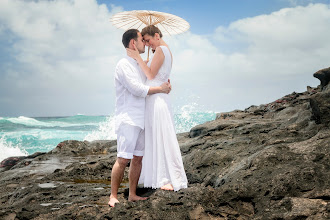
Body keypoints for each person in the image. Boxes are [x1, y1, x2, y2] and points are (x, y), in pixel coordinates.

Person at [108, 29, 172, 207]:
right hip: (128, 118)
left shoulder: (137, 63)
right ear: (133, 43)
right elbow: (137, 89)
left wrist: (164, 82)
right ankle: (113, 196)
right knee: (123, 159)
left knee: (138, 158)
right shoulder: (123, 64)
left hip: (141, 118)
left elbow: (150, 78)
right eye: (141, 40)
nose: (145, 43)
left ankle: (132, 194)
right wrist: (160, 89)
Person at [127, 25, 188, 191]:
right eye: (144, 42)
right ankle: (160, 177)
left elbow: (151, 75)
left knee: (162, 136)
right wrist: (146, 62)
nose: (147, 45)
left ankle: (168, 178)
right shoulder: (166, 50)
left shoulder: (161, 49)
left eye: (148, 41)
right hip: (158, 98)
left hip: (157, 100)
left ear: (156, 36)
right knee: (159, 136)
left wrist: (137, 59)